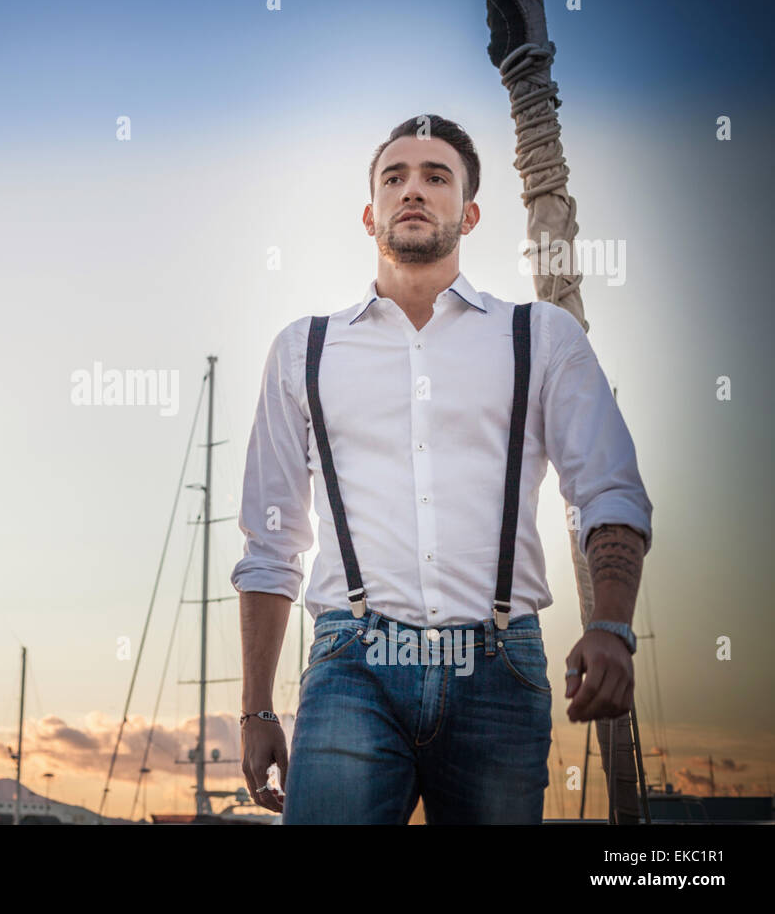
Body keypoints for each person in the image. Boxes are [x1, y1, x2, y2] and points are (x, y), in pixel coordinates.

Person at [232, 115, 652, 824]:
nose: (413, 190)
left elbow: (609, 489)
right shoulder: (304, 350)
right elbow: (272, 545)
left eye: (436, 177)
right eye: (394, 177)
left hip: (500, 667)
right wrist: (256, 709)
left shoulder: (541, 337)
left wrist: (611, 625)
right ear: (371, 214)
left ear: (471, 211)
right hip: (349, 666)